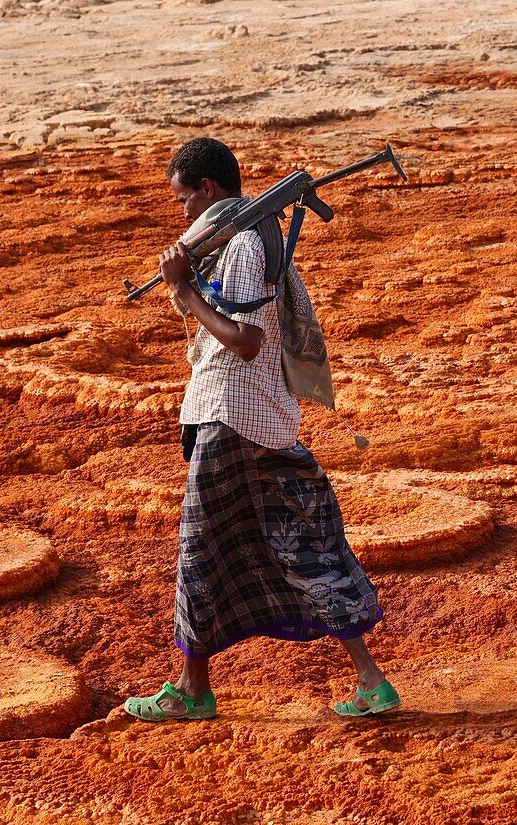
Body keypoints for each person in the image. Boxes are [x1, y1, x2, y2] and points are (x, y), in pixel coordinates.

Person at [123, 137, 400, 721]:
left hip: (232, 415)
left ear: (208, 190)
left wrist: (181, 291)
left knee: (201, 551)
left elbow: (245, 341)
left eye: (184, 200)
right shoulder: (248, 236)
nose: (182, 213)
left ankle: (192, 691)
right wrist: (190, 284)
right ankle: (372, 682)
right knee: (301, 544)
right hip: (265, 418)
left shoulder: (245, 242)